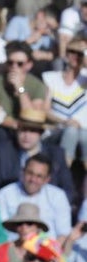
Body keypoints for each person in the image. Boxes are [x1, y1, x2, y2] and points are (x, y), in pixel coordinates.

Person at [0, 108, 75, 195]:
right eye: (23, 130)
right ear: (17, 130)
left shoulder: (56, 154)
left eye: (32, 131)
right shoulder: (1, 151)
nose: (26, 136)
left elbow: (68, 190)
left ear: (40, 133)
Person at [0, 153, 73, 245]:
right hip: (13, 250)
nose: (33, 179)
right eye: (30, 173)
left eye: (39, 176)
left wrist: (47, 254)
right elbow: (0, 231)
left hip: (48, 252)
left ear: (47, 179)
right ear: (22, 172)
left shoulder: (58, 196)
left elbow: (63, 234)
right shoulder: (4, 194)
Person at [44, 37, 87, 167]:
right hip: (59, 127)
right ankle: (63, 174)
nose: (76, 56)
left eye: (81, 53)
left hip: (84, 129)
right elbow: (44, 110)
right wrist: (64, 122)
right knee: (71, 131)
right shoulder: (52, 77)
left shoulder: (85, 78)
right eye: (72, 51)